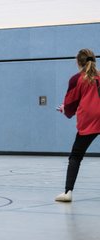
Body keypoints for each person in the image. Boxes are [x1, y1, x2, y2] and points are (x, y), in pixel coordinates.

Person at [55, 49, 99, 202]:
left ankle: (68, 192)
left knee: (75, 156)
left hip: (89, 120)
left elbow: (71, 102)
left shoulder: (77, 79)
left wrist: (64, 109)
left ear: (78, 62)